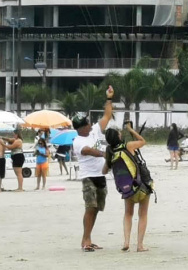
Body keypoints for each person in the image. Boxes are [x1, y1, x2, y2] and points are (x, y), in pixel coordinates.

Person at [72, 84, 114, 253]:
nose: (90, 124)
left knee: (96, 209)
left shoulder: (95, 130)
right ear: (81, 127)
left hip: (101, 175)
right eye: (87, 123)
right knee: (90, 207)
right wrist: (105, 154)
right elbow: (88, 151)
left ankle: (89, 238)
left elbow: (107, 115)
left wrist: (109, 98)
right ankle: (85, 240)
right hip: (89, 177)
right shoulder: (78, 141)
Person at [104, 122, 151, 252]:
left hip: (127, 189)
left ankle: (126, 242)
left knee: (128, 214)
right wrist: (130, 129)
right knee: (142, 214)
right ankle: (140, 245)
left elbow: (104, 170)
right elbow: (142, 141)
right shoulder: (129, 146)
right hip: (141, 186)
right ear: (118, 136)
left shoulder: (110, 152)